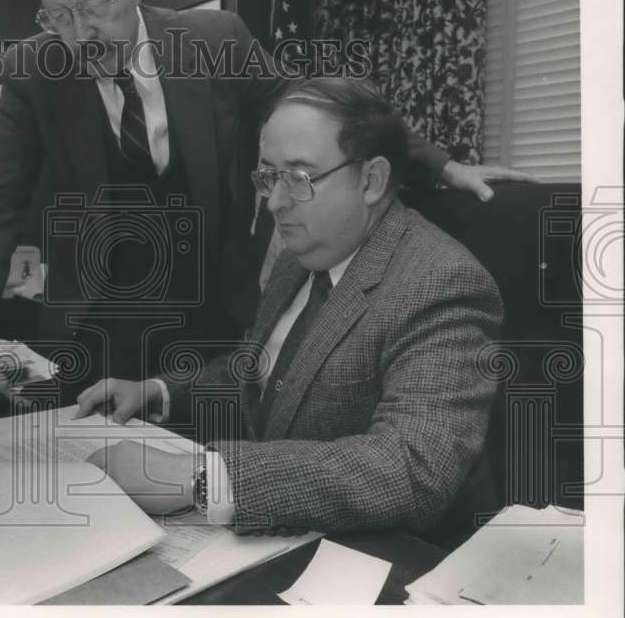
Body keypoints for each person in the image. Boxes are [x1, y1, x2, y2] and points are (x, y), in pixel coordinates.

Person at [0, 0, 527, 434]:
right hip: (93, 328)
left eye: (93, 3)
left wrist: (443, 167)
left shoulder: (214, 41)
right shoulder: (33, 70)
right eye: (57, 15)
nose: (79, 34)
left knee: (202, 492)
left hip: (209, 323)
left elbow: (321, 109)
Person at [79, 76, 504, 536]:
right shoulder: (297, 259)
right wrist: (157, 391)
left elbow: (413, 467)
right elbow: (261, 374)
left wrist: (199, 479)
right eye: (269, 177)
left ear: (372, 180)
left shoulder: (440, 282)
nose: (275, 203)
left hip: (393, 562)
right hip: (288, 532)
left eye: (299, 178)